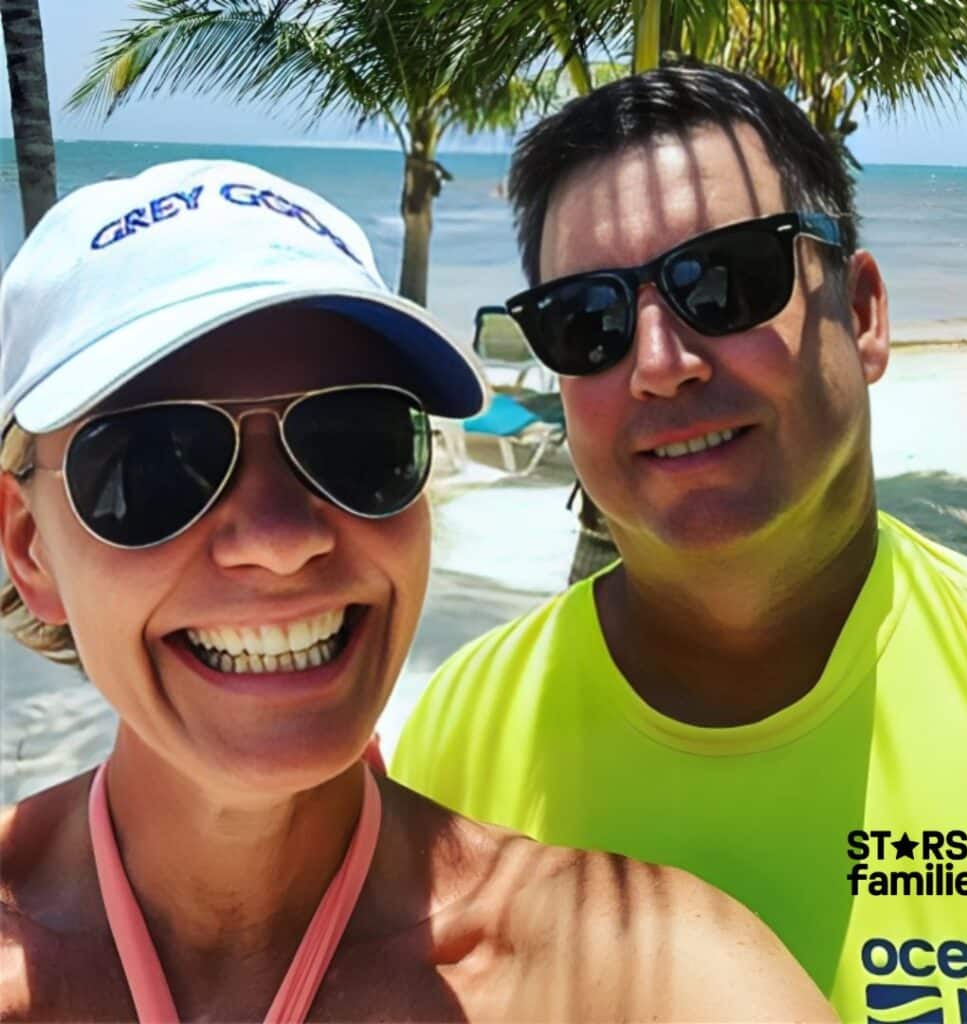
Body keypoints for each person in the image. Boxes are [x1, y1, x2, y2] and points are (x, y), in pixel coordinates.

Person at [0, 159, 834, 1022]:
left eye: (356, 439)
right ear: (29, 548)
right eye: (151, 464)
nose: (283, 542)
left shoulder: (627, 975)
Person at [392, 64, 967, 1021]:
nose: (658, 365)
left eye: (725, 281)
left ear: (861, 315)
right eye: (587, 319)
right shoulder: (464, 737)